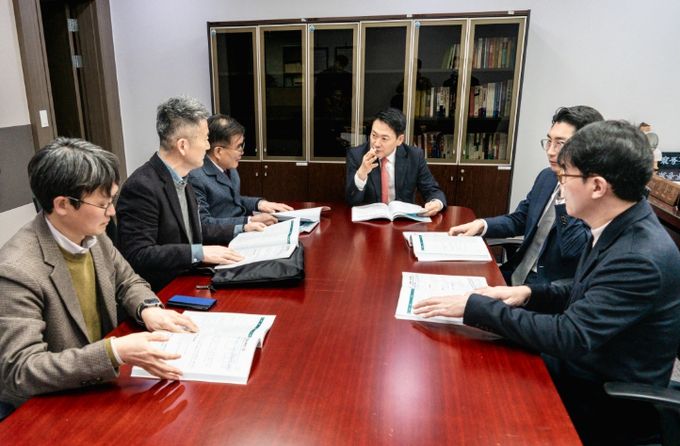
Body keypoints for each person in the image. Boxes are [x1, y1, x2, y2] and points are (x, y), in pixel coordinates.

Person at [414, 120, 680, 445]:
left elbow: (569, 335)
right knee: (464, 361)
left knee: (470, 401)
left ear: (597, 187)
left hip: (602, 402)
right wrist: (526, 293)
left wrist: (476, 306)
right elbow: (583, 288)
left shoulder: (639, 256)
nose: (560, 184)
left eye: (566, 176)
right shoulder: (619, 223)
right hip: (582, 366)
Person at [0, 138, 199, 419]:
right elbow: (21, 370)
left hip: (101, 387)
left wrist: (148, 308)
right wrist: (113, 351)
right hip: (50, 408)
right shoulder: (16, 269)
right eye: (103, 203)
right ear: (62, 204)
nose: (112, 212)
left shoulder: (93, 235)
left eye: (112, 200)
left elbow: (128, 281)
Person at [449, 106, 603, 285]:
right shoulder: (546, 177)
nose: (550, 151)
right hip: (515, 273)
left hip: (547, 289)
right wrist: (482, 225)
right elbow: (520, 219)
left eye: (560, 144)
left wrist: (564, 197)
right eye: (549, 141)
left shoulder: (596, 193)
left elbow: (574, 249)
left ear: (587, 148)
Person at [116, 97, 243, 292]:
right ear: (183, 146)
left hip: (192, 278)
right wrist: (199, 253)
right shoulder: (142, 187)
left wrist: (243, 229)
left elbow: (194, 231)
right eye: (205, 139)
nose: (208, 146)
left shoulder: (184, 177)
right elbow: (138, 254)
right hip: (164, 291)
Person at [188, 114, 292, 230]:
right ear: (218, 152)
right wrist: (248, 221)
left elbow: (233, 200)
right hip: (226, 236)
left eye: (242, 145)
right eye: (238, 146)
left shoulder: (229, 167)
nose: (242, 152)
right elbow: (203, 224)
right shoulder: (196, 177)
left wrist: (259, 204)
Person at [345, 107, 446, 216]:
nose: (376, 143)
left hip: (402, 220)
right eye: (374, 135)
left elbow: (432, 190)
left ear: (399, 140)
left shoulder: (414, 156)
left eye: (384, 138)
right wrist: (361, 173)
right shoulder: (357, 155)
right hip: (370, 221)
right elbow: (351, 200)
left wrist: (436, 203)